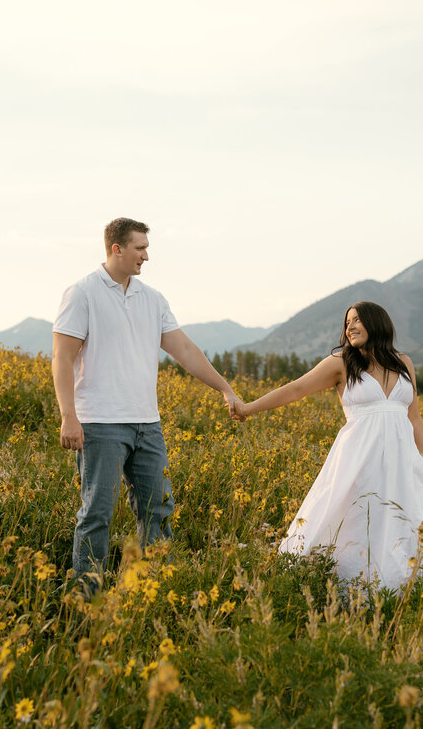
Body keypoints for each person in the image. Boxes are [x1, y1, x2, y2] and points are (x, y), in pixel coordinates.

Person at [53, 218, 244, 589]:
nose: (146, 256)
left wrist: (225, 388)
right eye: (140, 248)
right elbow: (61, 357)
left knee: (158, 509)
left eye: (147, 248)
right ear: (117, 249)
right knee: (97, 514)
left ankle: (154, 588)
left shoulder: (152, 299)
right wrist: (68, 417)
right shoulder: (82, 293)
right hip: (100, 424)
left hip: (147, 424)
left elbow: (185, 349)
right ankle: (85, 594)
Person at [235, 301, 423, 591]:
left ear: (377, 323)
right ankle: (345, 586)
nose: (350, 327)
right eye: (347, 322)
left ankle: (396, 588)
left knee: (399, 521)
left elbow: (414, 418)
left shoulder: (403, 363)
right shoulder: (340, 364)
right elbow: (296, 389)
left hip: (401, 464)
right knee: (356, 522)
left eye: (357, 320)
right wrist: (249, 408)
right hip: (358, 460)